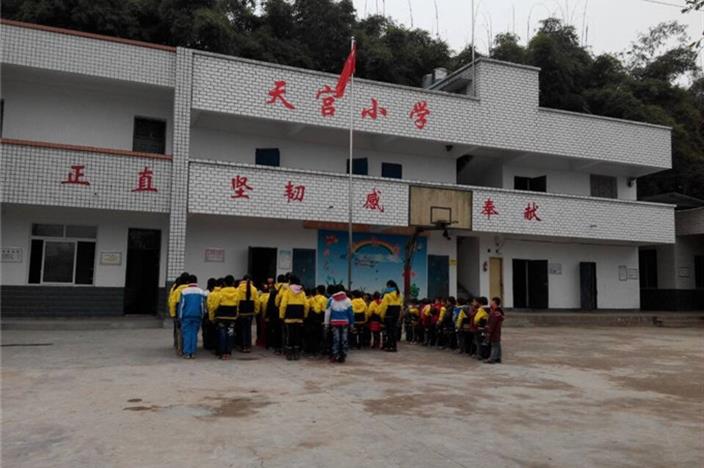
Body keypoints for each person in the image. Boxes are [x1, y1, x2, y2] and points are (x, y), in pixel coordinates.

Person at [279, 275, 308, 361]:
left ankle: (289, 353)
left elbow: (283, 305)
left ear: (290, 281)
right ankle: (296, 353)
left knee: (289, 335)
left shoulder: (287, 291)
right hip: (299, 317)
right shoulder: (302, 292)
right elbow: (306, 305)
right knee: (297, 335)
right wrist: (305, 315)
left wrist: (281, 316)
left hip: (289, 317)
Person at [177, 275, 207, 359]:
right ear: (196, 281)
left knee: (186, 334)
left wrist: (180, 317)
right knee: (194, 334)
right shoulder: (201, 292)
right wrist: (202, 315)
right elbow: (202, 305)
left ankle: (187, 353)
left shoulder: (184, 291)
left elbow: (181, 306)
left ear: (188, 282)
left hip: (186, 316)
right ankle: (193, 352)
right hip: (197, 316)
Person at [211, 275, 239, 360]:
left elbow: (215, 305)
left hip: (221, 317)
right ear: (233, 283)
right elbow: (238, 305)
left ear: (224, 283)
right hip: (232, 317)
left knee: (222, 334)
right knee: (230, 334)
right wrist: (236, 315)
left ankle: (222, 353)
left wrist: (212, 316)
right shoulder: (237, 292)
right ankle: (228, 352)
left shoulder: (221, 292)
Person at [325, 285, 354, 363]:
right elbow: (351, 313)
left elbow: (327, 313)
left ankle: (334, 355)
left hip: (334, 322)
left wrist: (326, 324)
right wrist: (352, 323)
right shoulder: (348, 300)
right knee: (344, 339)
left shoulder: (330, 300)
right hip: (345, 323)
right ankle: (343, 355)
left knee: (336, 339)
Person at [168, 272, 190, 355]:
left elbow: (172, 302)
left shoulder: (176, 289)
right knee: (187, 331)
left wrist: (173, 314)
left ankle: (179, 348)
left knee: (178, 330)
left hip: (178, 311)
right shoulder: (190, 289)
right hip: (188, 311)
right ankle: (187, 348)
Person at [235, 275, 259, 353]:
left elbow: (237, 301)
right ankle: (248, 346)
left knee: (242, 329)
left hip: (242, 312)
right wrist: (256, 311)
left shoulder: (238, 288)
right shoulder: (254, 289)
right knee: (248, 328)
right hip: (250, 312)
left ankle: (243, 346)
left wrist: (237, 311)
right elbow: (257, 301)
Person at [379, 280, 402, 352]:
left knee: (389, 331)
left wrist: (382, 316)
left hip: (388, 314)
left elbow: (384, 307)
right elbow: (401, 306)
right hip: (396, 314)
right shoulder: (399, 295)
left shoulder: (387, 295)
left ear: (389, 286)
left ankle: (389, 346)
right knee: (394, 330)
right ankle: (394, 347)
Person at [266, 275, 287, 354]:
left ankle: (277, 347)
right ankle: (285, 347)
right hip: (286, 312)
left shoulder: (274, 289)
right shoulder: (288, 289)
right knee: (286, 331)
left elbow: (270, 303)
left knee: (276, 330)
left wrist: (268, 315)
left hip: (275, 313)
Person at [305, 285, 327, 356]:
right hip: (320, 318)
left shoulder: (312, 299)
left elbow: (307, 308)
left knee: (311, 335)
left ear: (317, 291)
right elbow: (324, 310)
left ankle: (311, 350)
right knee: (319, 335)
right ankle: (318, 350)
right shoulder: (325, 299)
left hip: (311, 318)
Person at [485, 297, 505, 364]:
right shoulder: (497, 311)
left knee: (494, 345)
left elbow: (492, 323)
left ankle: (492, 359)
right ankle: (498, 358)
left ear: (494, 303)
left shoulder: (495, 312)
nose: (490, 302)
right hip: (496, 331)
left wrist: (489, 331)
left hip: (494, 331)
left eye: (491, 301)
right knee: (497, 344)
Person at [257, 283, 270, 348]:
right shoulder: (270, 296)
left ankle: (262, 342)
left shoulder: (261, 297)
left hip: (263, 316)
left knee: (262, 330)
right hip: (270, 316)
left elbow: (259, 307)